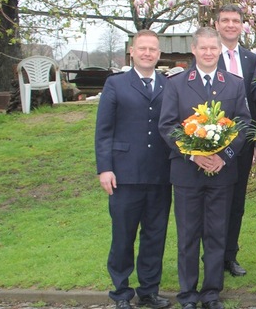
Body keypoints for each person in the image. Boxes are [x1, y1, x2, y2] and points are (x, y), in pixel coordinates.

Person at [158, 27, 251, 309]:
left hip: (222, 173)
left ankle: (211, 292)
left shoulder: (234, 84)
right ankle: (187, 294)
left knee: (216, 234)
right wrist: (193, 155)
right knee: (188, 235)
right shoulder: (176, 83)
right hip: (187, 173)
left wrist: (224, 156)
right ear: (194, 51)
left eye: (214, 49)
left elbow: (243, 124)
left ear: (220, 51)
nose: (209, 53)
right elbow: (168, 125)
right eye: (204, 48)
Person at [95, 30, 172, 309]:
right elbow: (103, 131)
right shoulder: (116, 84)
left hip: (160, 174)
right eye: (143, 48)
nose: (148, 53)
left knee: (155, 235)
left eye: (153, 49)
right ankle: (121, 293)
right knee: (123, 236)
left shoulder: (167, 85)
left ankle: (149, 291)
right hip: (124, 174)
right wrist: (105, 168)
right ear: (132, 51)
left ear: (159, 54)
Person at [214, 4, 256, 278]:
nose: (231, 25)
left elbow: (255, 100)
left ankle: (229, 256)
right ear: (217, 23)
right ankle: (212, 256)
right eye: (225, 20)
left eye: (236, 20)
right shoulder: (208, 56)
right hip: (211, 142)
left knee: (236, 202)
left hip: (243, 142)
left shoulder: (251, 59)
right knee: (214, 202)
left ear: (242, 25)